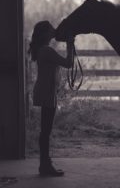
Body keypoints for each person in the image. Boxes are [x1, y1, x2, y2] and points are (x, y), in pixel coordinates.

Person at [28, 20, 74, 177]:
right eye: (51, 29)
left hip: (46, 91)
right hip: (47, 92)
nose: (54, 31)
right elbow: (69, 63)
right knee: (46, 131)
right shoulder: (46, 51)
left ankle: (45, 164)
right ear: (45, 34)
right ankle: (45, 165)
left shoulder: (43, 50)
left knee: (45, 130)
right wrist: (70, 44)